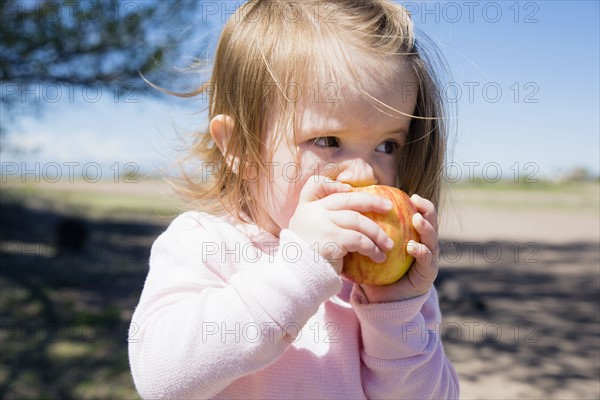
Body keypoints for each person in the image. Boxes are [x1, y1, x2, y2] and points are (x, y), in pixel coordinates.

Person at [129, 0, 459, 398]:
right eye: (328, 141)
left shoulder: (398, 289)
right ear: (239, 147)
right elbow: (163, 380)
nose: (366, 175)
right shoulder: (204, 245)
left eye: (387, 145)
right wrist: (296, 270)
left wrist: (395, 315)